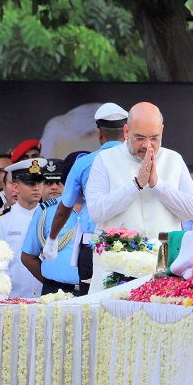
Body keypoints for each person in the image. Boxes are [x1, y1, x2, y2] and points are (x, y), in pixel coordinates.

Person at [83, 102, 193, 292]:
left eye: (154, 138)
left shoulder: (174, 159)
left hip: (160, 273)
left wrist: (158, 185)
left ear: (162, 131)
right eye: (139, 138)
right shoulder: (105, 160)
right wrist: (136, 185)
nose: (147, 145)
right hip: (115, 274)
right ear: (126, 131)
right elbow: (96, 211)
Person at [42, 102, 128, 295]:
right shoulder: (139, 162)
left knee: (91, 307)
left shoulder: (84, 163)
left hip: (92, 247)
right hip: (131, 246)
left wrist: (52, 239)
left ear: (99, 134)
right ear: (127, 131)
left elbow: (65, 207)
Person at [21, 153, 90, 296]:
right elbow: (28, 256)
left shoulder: (102, 209)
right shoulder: (47, 210)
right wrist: (51, 282)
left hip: (92, 291)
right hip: (56, 292)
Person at [0, 159, 46, 298]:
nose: (37, 188)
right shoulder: (1, 220)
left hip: (47, 297)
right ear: (16, 187)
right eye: (30, 183)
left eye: (40, 182)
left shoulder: (51, 217)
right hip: (13, 298)